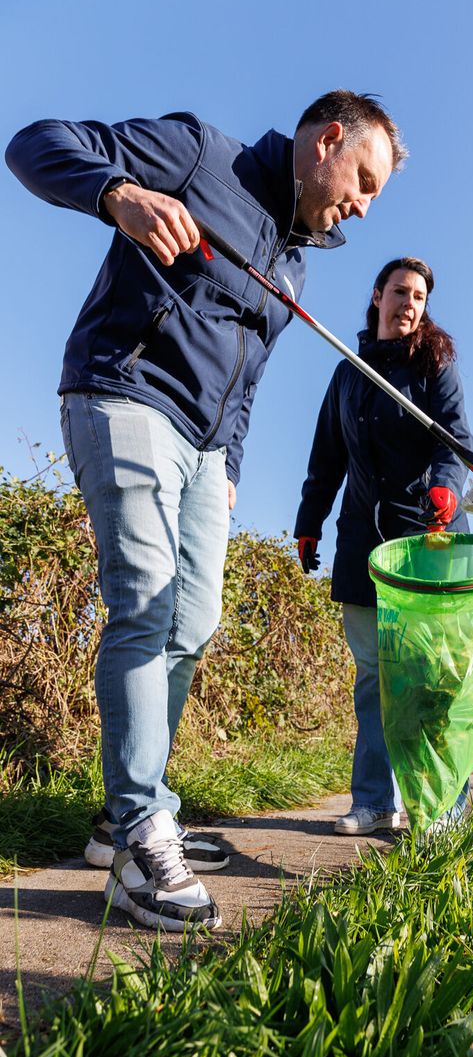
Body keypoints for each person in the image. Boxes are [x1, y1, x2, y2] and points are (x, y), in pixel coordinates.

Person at [5, 91, 406, 931]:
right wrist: (117, 194)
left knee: (193, 620)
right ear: (329, 140)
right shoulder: (199, 155)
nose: (364, 207)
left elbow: (246, 379)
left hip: (206, 449)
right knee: (146, 599)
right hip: (125, 392)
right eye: (364, 181)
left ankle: (125, 813)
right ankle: (141, 833)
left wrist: (231, 464)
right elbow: (34, 144)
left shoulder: (295, 264)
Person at [294, 257, 473, 836]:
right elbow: (326, 457)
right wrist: (310, 522)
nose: (410, 304)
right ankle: (372, 801)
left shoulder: (436, 365)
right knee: (372, 676)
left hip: (427, 539)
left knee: (430, 677)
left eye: (419, 296)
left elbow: (455, 439)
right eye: (401, 291)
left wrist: (446, 487)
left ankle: (440, 807)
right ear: (377, 296)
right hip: (362, 544)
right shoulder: (348, 373)